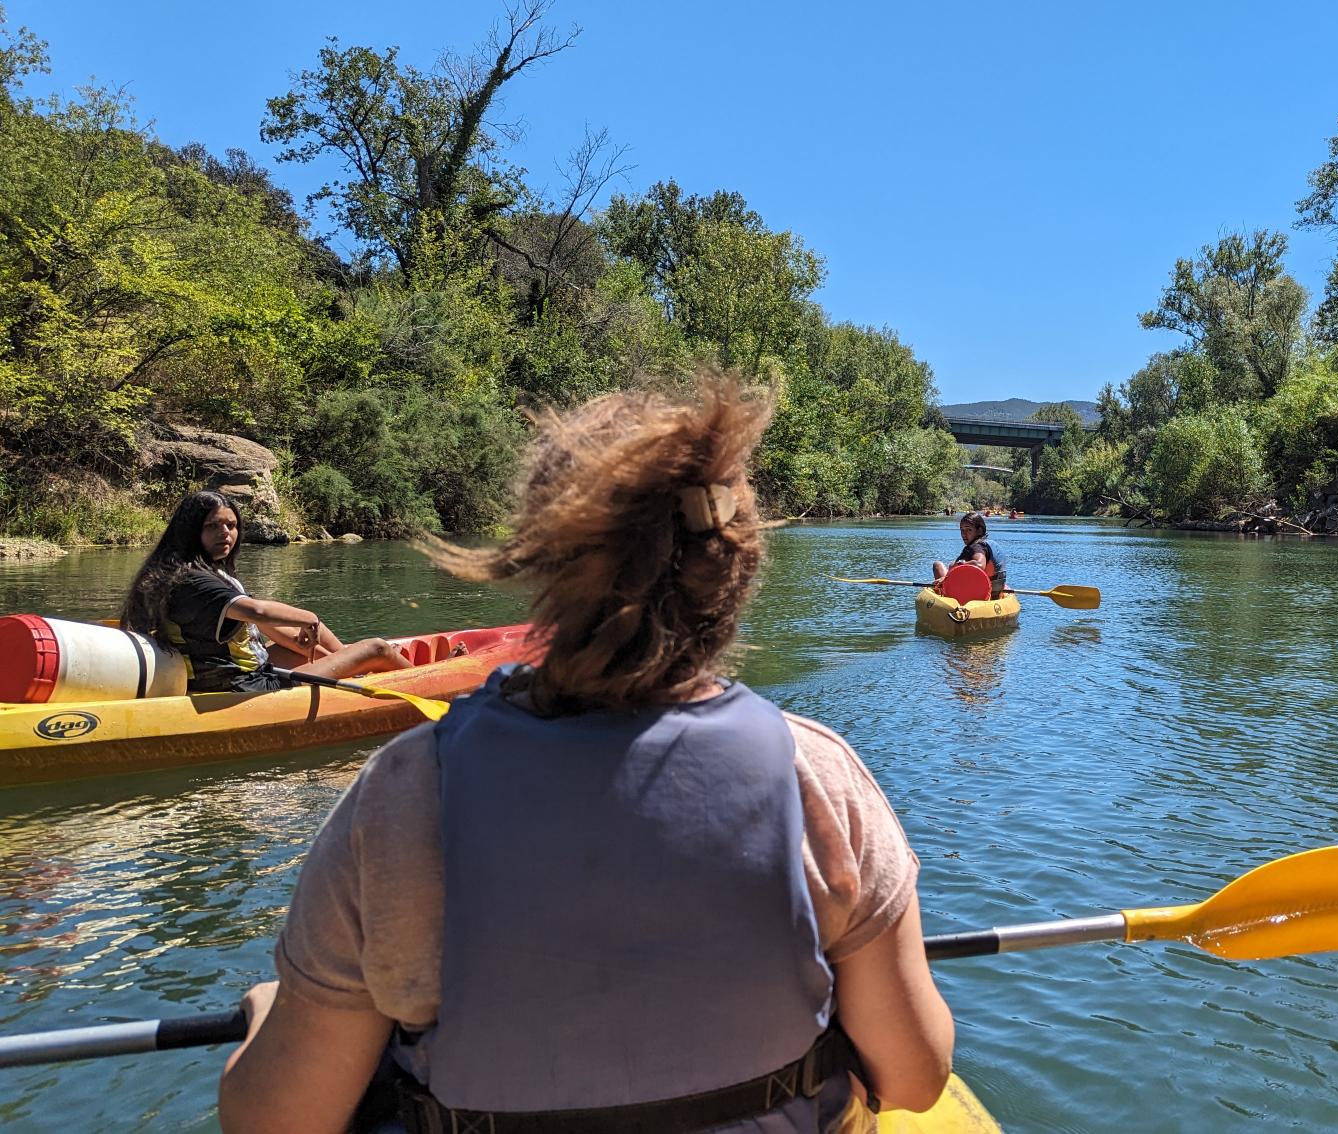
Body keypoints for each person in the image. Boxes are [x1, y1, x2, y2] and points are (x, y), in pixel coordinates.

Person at [217, 379, 954, 1134]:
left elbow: (279, 1124)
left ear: (542, 568)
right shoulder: (817, 775)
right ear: (737, 575)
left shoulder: (403, 791)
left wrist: (271, 1016)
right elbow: (915, 1077)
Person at [119, 491, 410, 693]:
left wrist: (310, 634)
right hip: (245, 685)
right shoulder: (196, 582)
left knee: (297, 644)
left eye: (231, 525)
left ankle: (355, 665)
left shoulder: (176, 571)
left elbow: (258, 623)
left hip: (220, 675)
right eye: (212, 526)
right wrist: (308, 617)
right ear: (191, 532)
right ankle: (414, 678)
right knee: (377, 647)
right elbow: (257, 611)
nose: (225, 533)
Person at [931, 511, 1007, 599]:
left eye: (968, 530)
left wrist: (959, 565)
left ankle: (942, 595)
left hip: (980, 593)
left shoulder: (977, 547)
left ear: (979, 530)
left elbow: (979, 565)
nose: (964, 534)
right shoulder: (988, 544)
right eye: (962, 530)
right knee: (950, 565)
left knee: (937, 565)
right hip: (995, 592)